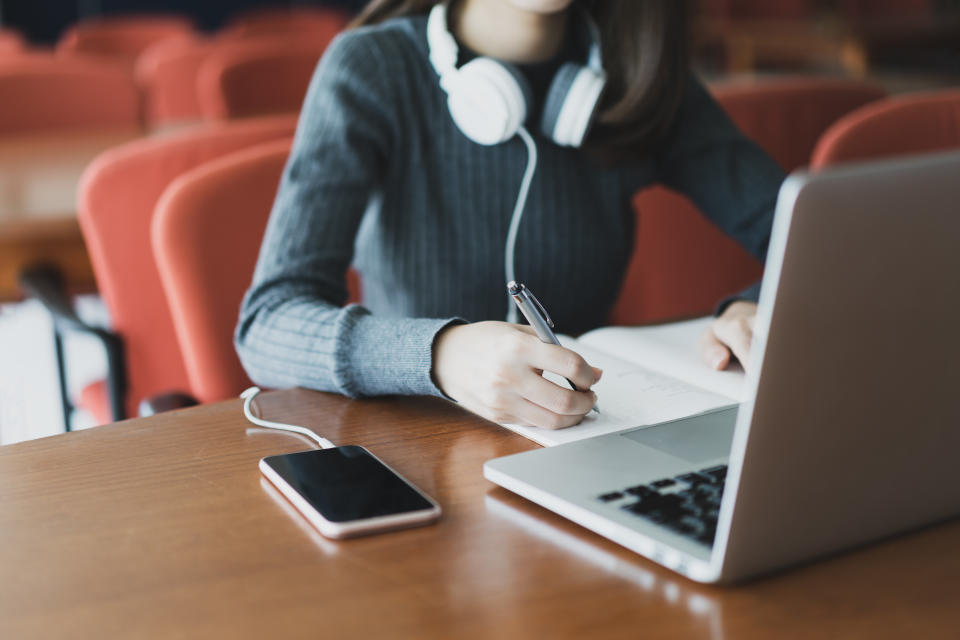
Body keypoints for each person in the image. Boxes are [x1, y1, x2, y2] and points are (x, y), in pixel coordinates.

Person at [235, 0, 784, 430]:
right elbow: (268, 322)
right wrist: (441, 356)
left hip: (589, 433)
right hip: (416, 446)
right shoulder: (372, 69)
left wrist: (757, 307)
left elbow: (815, 240)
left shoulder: (641, 77)